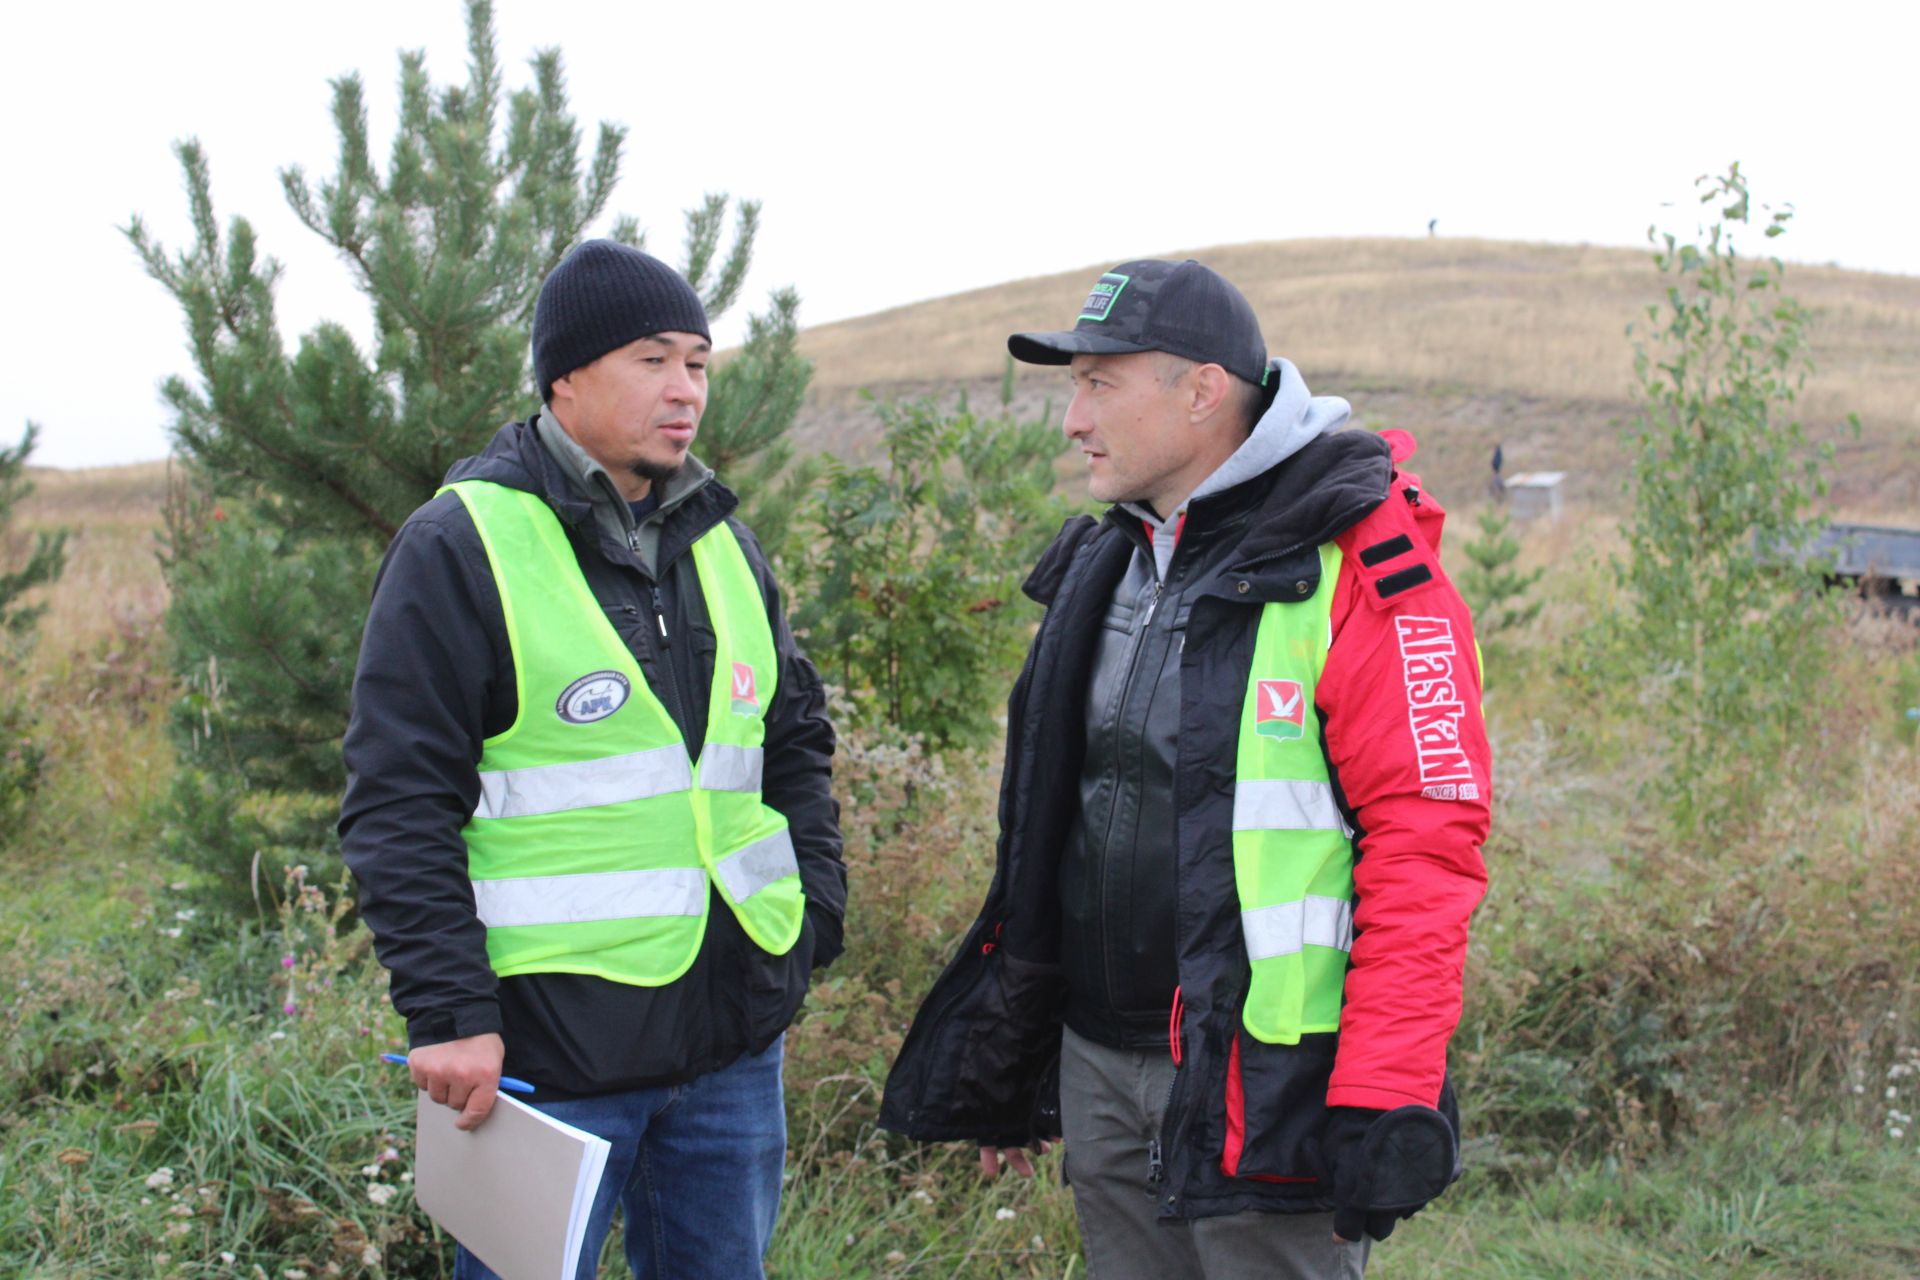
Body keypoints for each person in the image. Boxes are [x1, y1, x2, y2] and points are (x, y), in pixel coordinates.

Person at [880, 259, 1490, 1279]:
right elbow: (1051, 833)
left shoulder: (1360, 564)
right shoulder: (1105, 563)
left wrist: (1386, 1094)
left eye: (1100, 383)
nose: (1073, 419)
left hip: (1268, 1087)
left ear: (1202, 390)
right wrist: (1018, 1047)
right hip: (1099, 1069)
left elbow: (1427, 849)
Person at [340, 239, 847, 1280]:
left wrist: (814, 912)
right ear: (564, 376)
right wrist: (448, 1014)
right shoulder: (463, 542)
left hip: (729, 1046)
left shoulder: (723, 541)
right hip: (543, 1062)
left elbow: (790, 740)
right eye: (653, 359)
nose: (686, 390)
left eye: (699, 363)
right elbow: (398, 798)